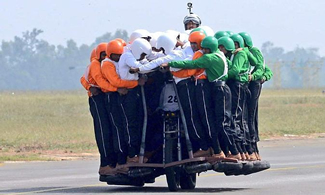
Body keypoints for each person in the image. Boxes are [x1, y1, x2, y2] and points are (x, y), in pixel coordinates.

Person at [130, 34, 211, 157]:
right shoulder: (185, 50)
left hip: (186, 86)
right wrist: (141, 68)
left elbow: (158, 62)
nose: (161, 52)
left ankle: (205, 147)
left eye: (162, 49)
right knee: (190, 118)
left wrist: (140, 69)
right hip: (183, 87)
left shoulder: (177, 55)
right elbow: (156, 61)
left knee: (191, 118)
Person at [162, 36, 239, 159]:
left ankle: (226, 152)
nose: (202, 50)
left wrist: (171, 64)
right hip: (221, 88)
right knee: (220, 122)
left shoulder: (209, 58)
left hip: (219, 89)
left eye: (204, 48)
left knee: (217, 123)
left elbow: (191, 64)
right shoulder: (219, 54)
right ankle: (230, 151)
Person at [101, 40, 146, 173]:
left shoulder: (120, 59)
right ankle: (124, 159)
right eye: (116, 55)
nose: (119, 57)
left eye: (120, 54)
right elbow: (116, 82)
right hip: (114, 97)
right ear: (110, 54)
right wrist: (136, 83)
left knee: (130, 124)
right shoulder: (107, 64)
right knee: (121, 127)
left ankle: (132, 155)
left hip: (124, 94)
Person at [81, 43, 117, 175]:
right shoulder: (94, 65)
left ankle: (112, 162)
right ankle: (105, 164)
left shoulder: (108, 64)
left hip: (106, 96)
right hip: (97, 98)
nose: (104, 57)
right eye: (102, 55)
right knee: (103, 130)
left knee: (112, 129)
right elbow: (89, 79)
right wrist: (91, 88)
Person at [239, 32, 273, 160]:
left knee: (250, 116)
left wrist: (256, 77)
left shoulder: (253, 51)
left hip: (253, 84)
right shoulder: (239, 54)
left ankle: (253, 148)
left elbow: (263, 69)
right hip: (245, 84)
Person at [228, 34, 256, 161]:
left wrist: (221, 76)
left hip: (238, 85)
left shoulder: (240, 54)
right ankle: (247, 151)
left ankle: (244, 150)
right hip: (241, 85)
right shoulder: (238, 54)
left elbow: (235, 71)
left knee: (237, 118)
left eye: (234, 44)